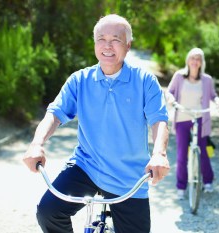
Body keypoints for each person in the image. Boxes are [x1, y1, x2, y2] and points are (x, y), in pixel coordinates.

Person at [23, 14, 170, 233]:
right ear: (94, 44)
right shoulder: (79, 80)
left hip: (129, 178)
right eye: (101, 39)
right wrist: (37, 143)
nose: (108, 45)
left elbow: (159, 120)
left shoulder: (145, 81)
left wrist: (159, 153)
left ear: (128, 46)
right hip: (86, 167)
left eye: (116, 39)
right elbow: (55, 113)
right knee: (48, 211)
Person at [166, 47, 219, 200]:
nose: (195, 61)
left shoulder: (207, 80)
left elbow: (213, 95)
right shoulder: (179, 76)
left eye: (198, 59)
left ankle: (208, 181)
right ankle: (181, 187)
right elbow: (169, 92)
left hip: (200, 117)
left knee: (203, 151)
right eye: (193, 58)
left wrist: (218, 102)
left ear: (201, 62)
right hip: (182, 116)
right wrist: (171, 99)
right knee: (182, 154)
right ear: (188, 60)